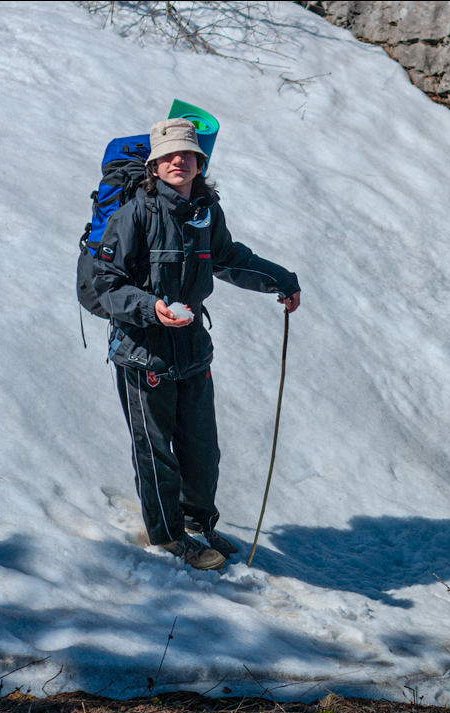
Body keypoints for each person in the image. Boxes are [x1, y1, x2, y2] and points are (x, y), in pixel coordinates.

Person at [94, 118, 301, 570]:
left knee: (201, 447)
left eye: (186, 154)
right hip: (142, 351)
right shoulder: (136, 214)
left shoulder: (206, 209)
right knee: (157, 452)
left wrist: (280, 281)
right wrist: (151, 309)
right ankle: (169, 538)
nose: (177, 161)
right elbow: (105, 284)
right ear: (153, 163)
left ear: (199, 161)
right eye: (167, 155)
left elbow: (228, 258)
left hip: (191, 348)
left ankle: (198, 525)